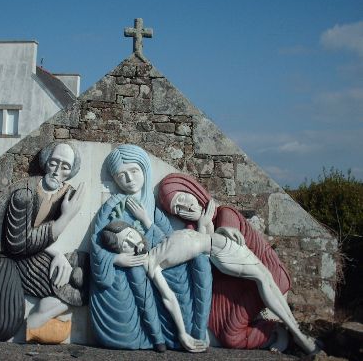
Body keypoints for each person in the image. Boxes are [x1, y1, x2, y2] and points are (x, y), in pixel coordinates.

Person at [100, 220, 319, 355]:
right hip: (219, 252)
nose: (132, 243)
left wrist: (223, 230)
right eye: (125, 245)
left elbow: (199, 229)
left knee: (267, 279)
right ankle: (298, 335)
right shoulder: (151, 264)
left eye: (130, 236)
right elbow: (169, 299)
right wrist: (183, 333)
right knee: (264, 280)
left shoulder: (157, 241)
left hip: (221, 242)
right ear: (123, 252)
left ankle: (296, 331)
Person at [158, 173, 308, 351]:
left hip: (262, 278)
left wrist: (221, 229)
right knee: (231, 338)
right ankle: (272, 331)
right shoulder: (192, 231)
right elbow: (204, 267)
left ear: (193, 191)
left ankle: (286, 332)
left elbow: (229, 233)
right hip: (232, 284)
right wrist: (202, 226)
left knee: (231, 336)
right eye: (177, 208)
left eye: (183, 198)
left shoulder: (224, 212)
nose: (185, 207)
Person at [0, 142, 88, 342]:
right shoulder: (25, 194)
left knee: (79, 276)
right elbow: (17, 243)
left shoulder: (63, 194)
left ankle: (38, 319)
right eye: (54, 163)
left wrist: (58, 254)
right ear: (46, 163)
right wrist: (66, 218)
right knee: (0, 327)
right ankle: (34, 326)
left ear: (71, 171)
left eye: (65, 167)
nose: (57, 172)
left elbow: (33, 235)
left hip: (24, 255)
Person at [90, 145, 212, 352]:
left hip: (157, 263)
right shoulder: (113, 205)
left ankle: (195, 332)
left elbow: (168, 241)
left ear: (144, 170)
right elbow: (96, 242)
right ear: (115, 179)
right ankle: (158, 338)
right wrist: (117, 260)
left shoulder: (153, 209)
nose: (129, 179)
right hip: (130, 270)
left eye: (134, 171)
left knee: (199, 263)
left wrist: (146, 221)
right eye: (122, 175)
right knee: (137, 272)